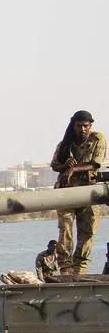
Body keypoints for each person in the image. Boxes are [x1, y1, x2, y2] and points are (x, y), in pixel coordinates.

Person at [49, 110, 105, 274]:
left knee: (87, 231)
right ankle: (65, 266)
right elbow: (54, 165)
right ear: (73, 126)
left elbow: (95, 164)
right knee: (65, 230)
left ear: (90, 126)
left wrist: (74, 169)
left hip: (89, 193)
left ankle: (79, 268)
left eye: (85, 126)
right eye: (79, 126)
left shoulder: (97, 139)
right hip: (66, 193)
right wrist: (65, 166)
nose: (82, 129)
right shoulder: (65, 144)